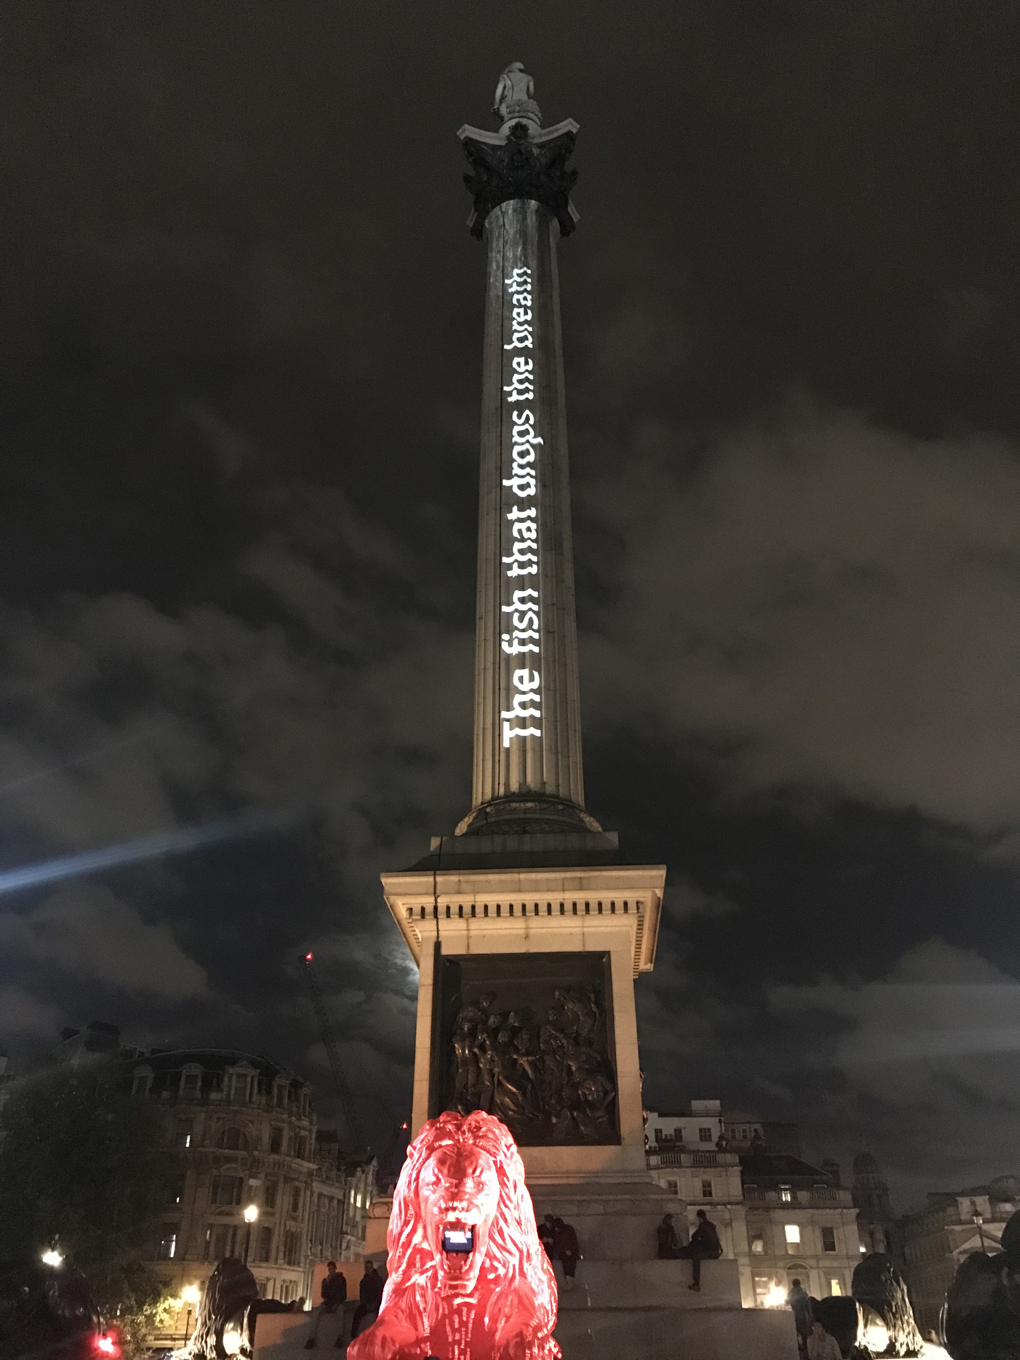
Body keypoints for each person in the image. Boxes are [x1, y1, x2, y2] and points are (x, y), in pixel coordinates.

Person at [676, 1209, 722, 1291]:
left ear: (699, 1218)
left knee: (697, 1257)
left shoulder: (703, 1225)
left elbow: (695, 1236)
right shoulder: (711, 1225)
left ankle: (696, 1282)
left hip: (711, 1251)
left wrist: (694, 1243)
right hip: (715, 1250)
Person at [304, 1261, 347, 1348]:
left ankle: (340, 1337)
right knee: (316, 1313)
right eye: (329, 1269)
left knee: (340, 1313)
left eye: (332, 1269)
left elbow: (343, 1294)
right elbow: (323, 1294)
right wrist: (327, 1284)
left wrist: (337, 1303)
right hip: (327, 1304)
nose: (330, 1271)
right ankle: (311, 1338)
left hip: (337, 1304)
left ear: (335, 1269)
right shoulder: (325, 1280)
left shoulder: (341, 1279)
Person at [351, 1260, 384, 1340]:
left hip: (377, 1304)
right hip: (366, 1305)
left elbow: (380, 1294)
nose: (368, 1269)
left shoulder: (378, 1280)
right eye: (367, 1268)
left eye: (370, 1267)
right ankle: (354, 1337)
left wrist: (374, 1304)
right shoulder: (363, 1281)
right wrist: (366, 1305)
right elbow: (362, 1296)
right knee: (357, 1315)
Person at [552, 1217, 581, 1292]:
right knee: (566, 1265)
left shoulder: (568, 1230)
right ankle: (569, 1282)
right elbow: (557, 1244)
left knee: (570, 1265)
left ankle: (569, 1283)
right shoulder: (560, 1232)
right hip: (564, 1253)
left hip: (571, 1252)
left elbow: (573, 1241)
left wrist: (569, 1249)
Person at [788, 1278, 813, 1351]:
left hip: (794, 1316)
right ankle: (805, 1348)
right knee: (804, 1334)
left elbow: (787, 1303)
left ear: (793, 1284)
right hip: (803, 1316)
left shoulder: (791, 1293)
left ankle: (799, 1347)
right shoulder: (803, 1293)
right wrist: (809, 1316)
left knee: (795, 1333)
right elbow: (808, 1306)